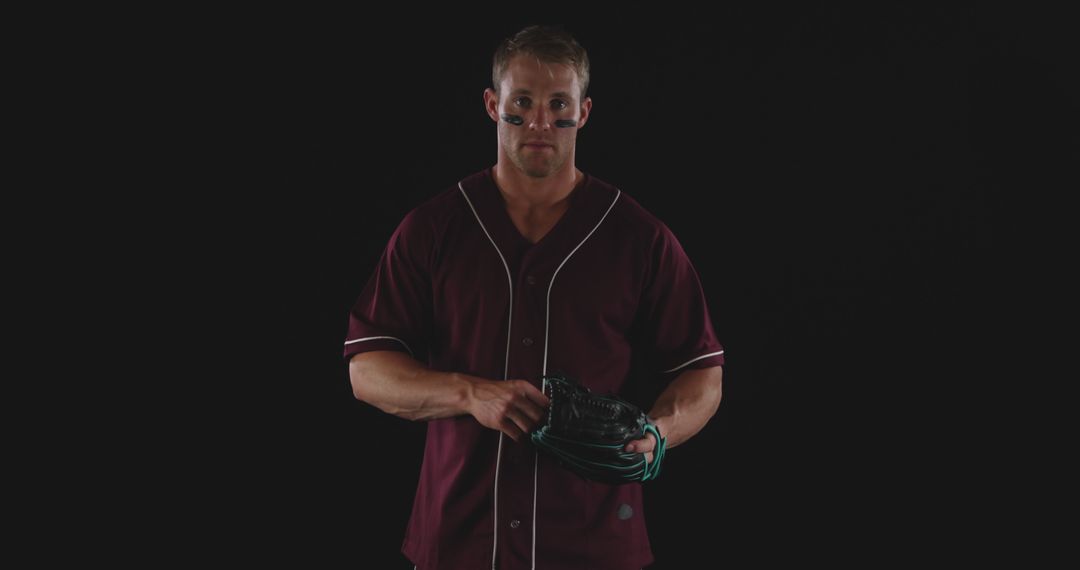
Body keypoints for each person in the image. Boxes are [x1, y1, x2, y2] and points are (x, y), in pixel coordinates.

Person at [343, 24, 725, 570]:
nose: (540, 121)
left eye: (558, 103)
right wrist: (470, 394)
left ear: (584, 112)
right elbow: (366, 370)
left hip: (594, 541)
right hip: (461, 537)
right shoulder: (434, 228)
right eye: (522, 102)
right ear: (493, 104)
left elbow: (703, 372)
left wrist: (659, 431)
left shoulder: (639, 237)